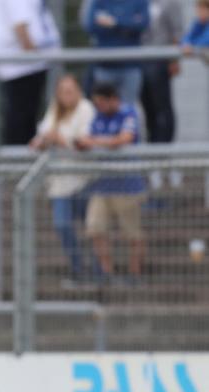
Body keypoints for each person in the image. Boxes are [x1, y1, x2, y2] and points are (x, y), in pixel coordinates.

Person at [30, 75, 97, 286]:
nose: (66, 96)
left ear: (78, 90)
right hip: (59, 183)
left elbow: (85, 142)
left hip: (83, 180)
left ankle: (97, 271)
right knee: (62, 225)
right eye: (62, 92)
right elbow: (42, 134)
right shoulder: (55, 110)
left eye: (70, 90)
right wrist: (41, 142)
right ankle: (78, 268)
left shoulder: (86, 109)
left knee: (92, 227)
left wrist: (61, 140)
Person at [77, 83, 147, 282]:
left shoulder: (128, 112)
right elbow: (86, 139)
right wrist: (85, 144)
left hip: (127, 185)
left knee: (132, 232)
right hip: (102, 185)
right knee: (95, 228)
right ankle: (107, 273)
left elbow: (124, 139)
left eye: (101, 103)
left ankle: (135, 275)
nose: (99, 107)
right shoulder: (97, 116)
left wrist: (96, 142)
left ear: (113, 99)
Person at [0, 0, 61, 145]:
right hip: (24, 65)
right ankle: (18, 162)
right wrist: (33, 54)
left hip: (26, 63)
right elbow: (20, 23)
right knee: (21, 120)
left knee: (25, 118)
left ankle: (21, 160)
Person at [85, 0, 151, 104]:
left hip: (131, 66)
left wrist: (115, 23)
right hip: (105, 65)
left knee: (128, 108)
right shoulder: (99, 1)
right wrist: (128, 25)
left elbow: (143, 24)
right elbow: (90, 26)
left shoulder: (140, 2)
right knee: (104, 108)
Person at [140, 1, 184, 147]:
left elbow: (177, 32)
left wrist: (174, 60)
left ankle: (164, 151)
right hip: (140, 61)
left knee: (162, 109)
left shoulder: (170, 3)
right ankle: (153, 150)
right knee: (148, 108)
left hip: (160, 61)